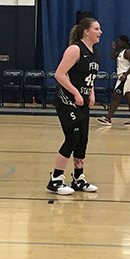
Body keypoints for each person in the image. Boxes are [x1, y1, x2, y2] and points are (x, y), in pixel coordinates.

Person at [47, 16, 101, 195]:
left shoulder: (93, 51)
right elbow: (59, 74)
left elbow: (89, 77)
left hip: (82, 101)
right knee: (73, 138)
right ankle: (55, 179)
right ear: (86, 31)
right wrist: (76, 93)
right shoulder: (75, 49)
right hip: (67, 99)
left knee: (82, 140)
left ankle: (78, 178)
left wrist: (91, 93)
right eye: (96, 29)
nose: (100, 32)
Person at [97, 34, 130, 126]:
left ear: (124, 42)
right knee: (129, 98)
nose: (118, 42)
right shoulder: (121, 51)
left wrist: (125, 74)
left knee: (116, 97)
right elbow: (112, 57)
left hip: (126, 77)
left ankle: (108, 118)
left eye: (119, 41)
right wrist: (113, 48)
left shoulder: (127, 52)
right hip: (123, 77)